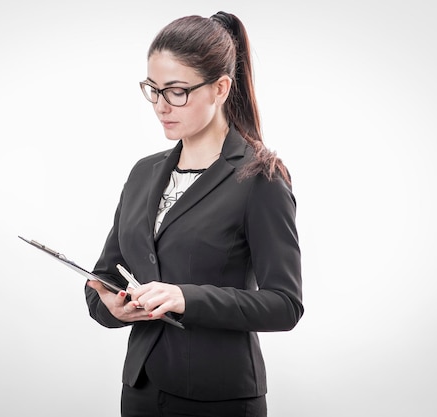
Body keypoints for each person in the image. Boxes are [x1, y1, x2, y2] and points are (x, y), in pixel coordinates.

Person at [85, 11, 303, 417]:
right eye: (153, 89)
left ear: (220, 88)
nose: (161, 106)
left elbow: (285, 305)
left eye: (177, 91)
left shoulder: (261, 178)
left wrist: (185, 297)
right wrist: (110, 306)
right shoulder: (143, 172)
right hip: (141, 390)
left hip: (219, 398)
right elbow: (106, 274)